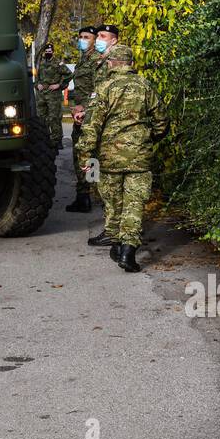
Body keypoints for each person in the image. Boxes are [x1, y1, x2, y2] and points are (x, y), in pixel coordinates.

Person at [75, 44, 166, 273]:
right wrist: (147, 140)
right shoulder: (145, 86)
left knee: (113, 204)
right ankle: (127, 250)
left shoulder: (103, 88)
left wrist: (85, 157)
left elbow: (91, 126)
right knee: (134, 205)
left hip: (109, 159)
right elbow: (162, 121)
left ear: (112, 63)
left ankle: (116, 244)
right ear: (130, 63)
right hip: (139, 158)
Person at [65, 25, 100, 211]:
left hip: (91, 115)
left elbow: (99, 90)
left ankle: (92, 194)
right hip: (80, 115)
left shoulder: (97, 60)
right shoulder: (82, 61)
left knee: (90, 155)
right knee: (80, 155)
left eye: (87, 36)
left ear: (95, 40)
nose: (83, 39)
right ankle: (83, 195)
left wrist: (85, 108)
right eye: (81, 36)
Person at [33, 43, 71, 150]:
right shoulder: (41, 63)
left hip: (53, 95)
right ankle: (43, 139)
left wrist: (59, 85)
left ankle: (57, 140)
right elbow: (37, 78)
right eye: (46, 51)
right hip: (41, 95)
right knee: (41, 118)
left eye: (50, 51)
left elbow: (69, 74)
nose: (48, 53)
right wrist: (37, 84)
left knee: (54, 118)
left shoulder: (58, 63)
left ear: (53, 52)